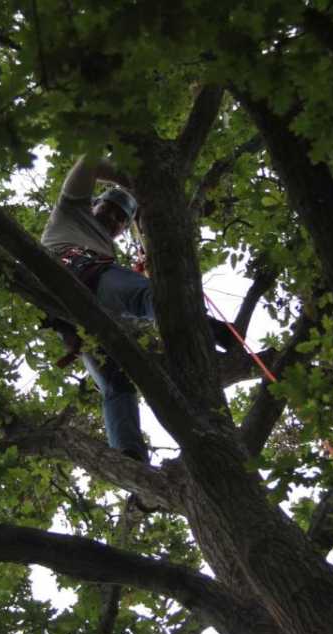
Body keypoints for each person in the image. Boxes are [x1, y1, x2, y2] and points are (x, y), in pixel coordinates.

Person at [41, 155, 238, 464]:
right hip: (81, 277)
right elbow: (87, 162)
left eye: (121, 218)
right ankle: (205, 326)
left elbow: (123, 293)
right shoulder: (71, 211)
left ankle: (128, 454)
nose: (114, 220)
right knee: (153, 296)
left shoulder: (107, 250)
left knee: (117, 384)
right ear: (94, 204)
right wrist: (133, 183)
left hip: (84, 316)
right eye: (109, 209)